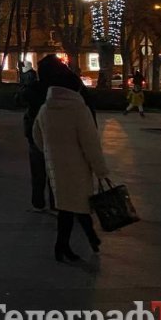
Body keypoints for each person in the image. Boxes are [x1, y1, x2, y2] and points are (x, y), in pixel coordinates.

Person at [32, 58, 108, 262]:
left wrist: (50, 152)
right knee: (77, 205)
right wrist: (101, 170)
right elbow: (90, 143)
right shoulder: (78, 110)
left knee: (68, 205)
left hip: (55, 167)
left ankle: (75, 242)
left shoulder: (45, 109)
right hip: (78, 167)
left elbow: (37, 136)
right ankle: (67, 245)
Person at [21, 59, 53, 212]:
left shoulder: (34, 87)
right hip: (56, 135)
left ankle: (38, 202)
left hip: (35, 132)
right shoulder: (61, 88)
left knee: (38, 170)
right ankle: (56, 202)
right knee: (55, 170)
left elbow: (19, 99)